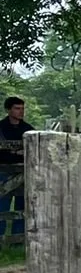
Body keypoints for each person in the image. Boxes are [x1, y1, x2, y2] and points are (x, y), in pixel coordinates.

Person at [0, 96, 28, 247]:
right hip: (3, 171)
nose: (21, 111)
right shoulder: (1, 128)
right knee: (2, 206)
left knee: (22, 207)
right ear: (8, 110)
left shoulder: (28, 129)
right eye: (17, 108)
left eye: (22, 108)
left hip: (23, 172)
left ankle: (18, 242)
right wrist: (16, 153)